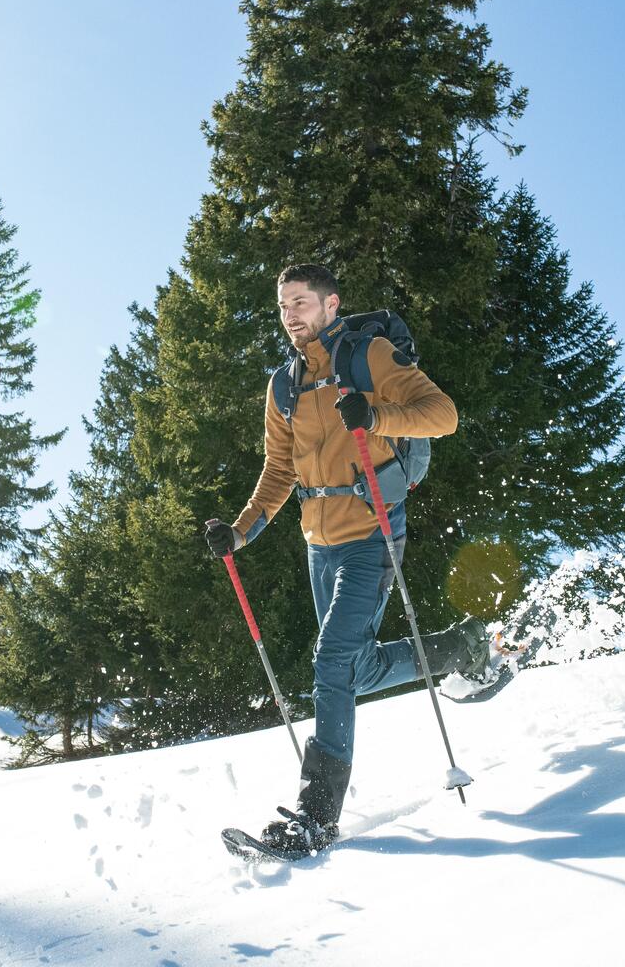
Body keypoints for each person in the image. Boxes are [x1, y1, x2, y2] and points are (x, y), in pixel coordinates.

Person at [205, 264, 501, 856]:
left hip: (373, 531)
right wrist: (238, 534)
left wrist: (378, 415)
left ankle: (316, 817)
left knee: (332, 657)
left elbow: (443, 414)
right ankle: (459, 647)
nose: (291, 315)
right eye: (284, 305)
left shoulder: (368, 356)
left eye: (301, 303)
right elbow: (279, 472)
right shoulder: (283, 384)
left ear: (330, 303)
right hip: (319, 544)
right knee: (355, 668)